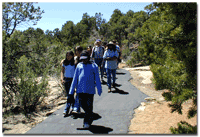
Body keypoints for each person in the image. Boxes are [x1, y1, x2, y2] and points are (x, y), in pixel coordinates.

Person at [69, 50, 102, 129]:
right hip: (80, 90)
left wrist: (99, 89)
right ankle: (89, 115)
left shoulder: (94, 66)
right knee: (83, 104)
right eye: (82, 59)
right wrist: (71, 91)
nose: (84, 60)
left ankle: (86, 122)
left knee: (89, 106)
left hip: (90, 90)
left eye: (85, 59)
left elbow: (97, 78)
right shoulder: (79, 66)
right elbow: (75, 78)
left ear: (89, 58)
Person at [61, 51, 76, 117]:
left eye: (69, 55)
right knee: (69, 94)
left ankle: (67, 109)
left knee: (70, 94)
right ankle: (73, 106)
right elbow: (62, 71)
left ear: (72, 56)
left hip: (73, 79)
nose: (68, 56)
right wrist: (62, 78)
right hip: (66, 79)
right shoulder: (64, 63)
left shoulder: (74, 63)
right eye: (67, 55)